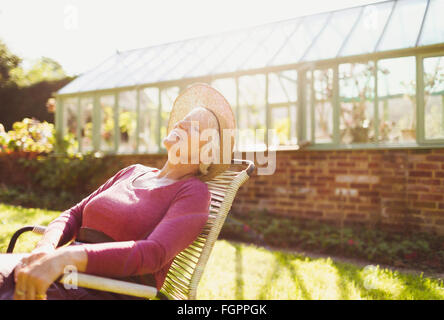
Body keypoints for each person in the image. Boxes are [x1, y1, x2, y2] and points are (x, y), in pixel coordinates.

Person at [0, 83, 236, 300]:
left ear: (207, 150)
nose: (180, 124)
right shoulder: (133, 171)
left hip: (102, 288)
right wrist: (45, 250)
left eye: (193, 127)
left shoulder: (194, 193)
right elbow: (75, 214)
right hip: (63, 270)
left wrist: (63, 258)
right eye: (182, 120)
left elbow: (153, 253)